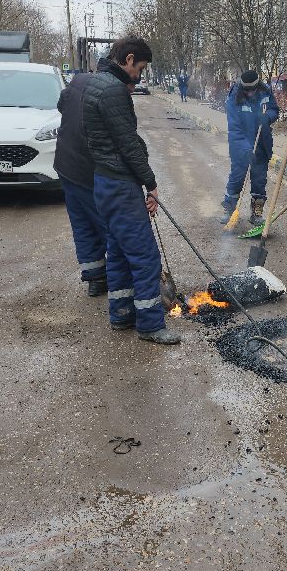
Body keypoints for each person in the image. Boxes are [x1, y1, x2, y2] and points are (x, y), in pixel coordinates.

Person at [82, 36, 181, 346]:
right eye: (140, 67)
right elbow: (127, 144)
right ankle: (150, 325)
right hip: (120, 185)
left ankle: (122, 313)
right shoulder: (113, 91)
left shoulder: (97, 83)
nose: (140, 74)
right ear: (127, 59)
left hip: (105, 183)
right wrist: (150, 183)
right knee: (145, 256)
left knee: (120, 254)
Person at [54, 71, 108, 297]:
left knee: (83, 225)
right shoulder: (105, 93)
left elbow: (60, 106)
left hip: (66, 166)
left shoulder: (74, 87)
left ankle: (95, 279)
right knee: (108, 226)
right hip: (87, 171)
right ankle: (122, 280)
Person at [220, 70, 279, 227]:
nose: (250, 93)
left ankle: (256, 213)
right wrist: (246, 150)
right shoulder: (235, 96)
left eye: (252, 89)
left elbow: (274, 109)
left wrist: (267, 117)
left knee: (259, 179)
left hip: (262, 143)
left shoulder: (265, 90)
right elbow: (235, 128)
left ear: (257, 85)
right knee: (237, 177)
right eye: (247, 90)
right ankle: (230, 209)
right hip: (240, 146)